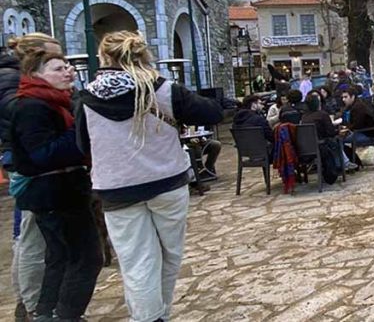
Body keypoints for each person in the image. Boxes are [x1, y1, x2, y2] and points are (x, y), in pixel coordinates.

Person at [77, 31, 222, 322]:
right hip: (166, 182)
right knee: (168, 256)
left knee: (136, 261)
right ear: (143, 55)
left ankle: (148, 317)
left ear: (104, 58)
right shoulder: (163, 90)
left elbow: (82, 145)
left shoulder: (84, 98)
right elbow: (212, 113)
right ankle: (157, 315)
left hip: (117, 188)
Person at [10, 47, 101, 322]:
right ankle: (64, 315)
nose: (67, 72)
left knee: (61, 257)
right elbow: (42, 154)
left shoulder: (57, 102)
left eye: (66, 67)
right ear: (36, 74)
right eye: (58, 69)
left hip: (65, 191)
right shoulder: (32, 106)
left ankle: (48, 313)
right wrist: (79, 131)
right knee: (85, 258)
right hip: (54, 194)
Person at [2, 33, 60, 320]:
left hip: (30, 163)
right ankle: (33, 304)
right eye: (53, 57)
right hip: (29, 167)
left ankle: (32, 301)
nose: (60, 63)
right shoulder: (12, 80)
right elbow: (21, 116)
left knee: (30, 235)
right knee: (30, 237)